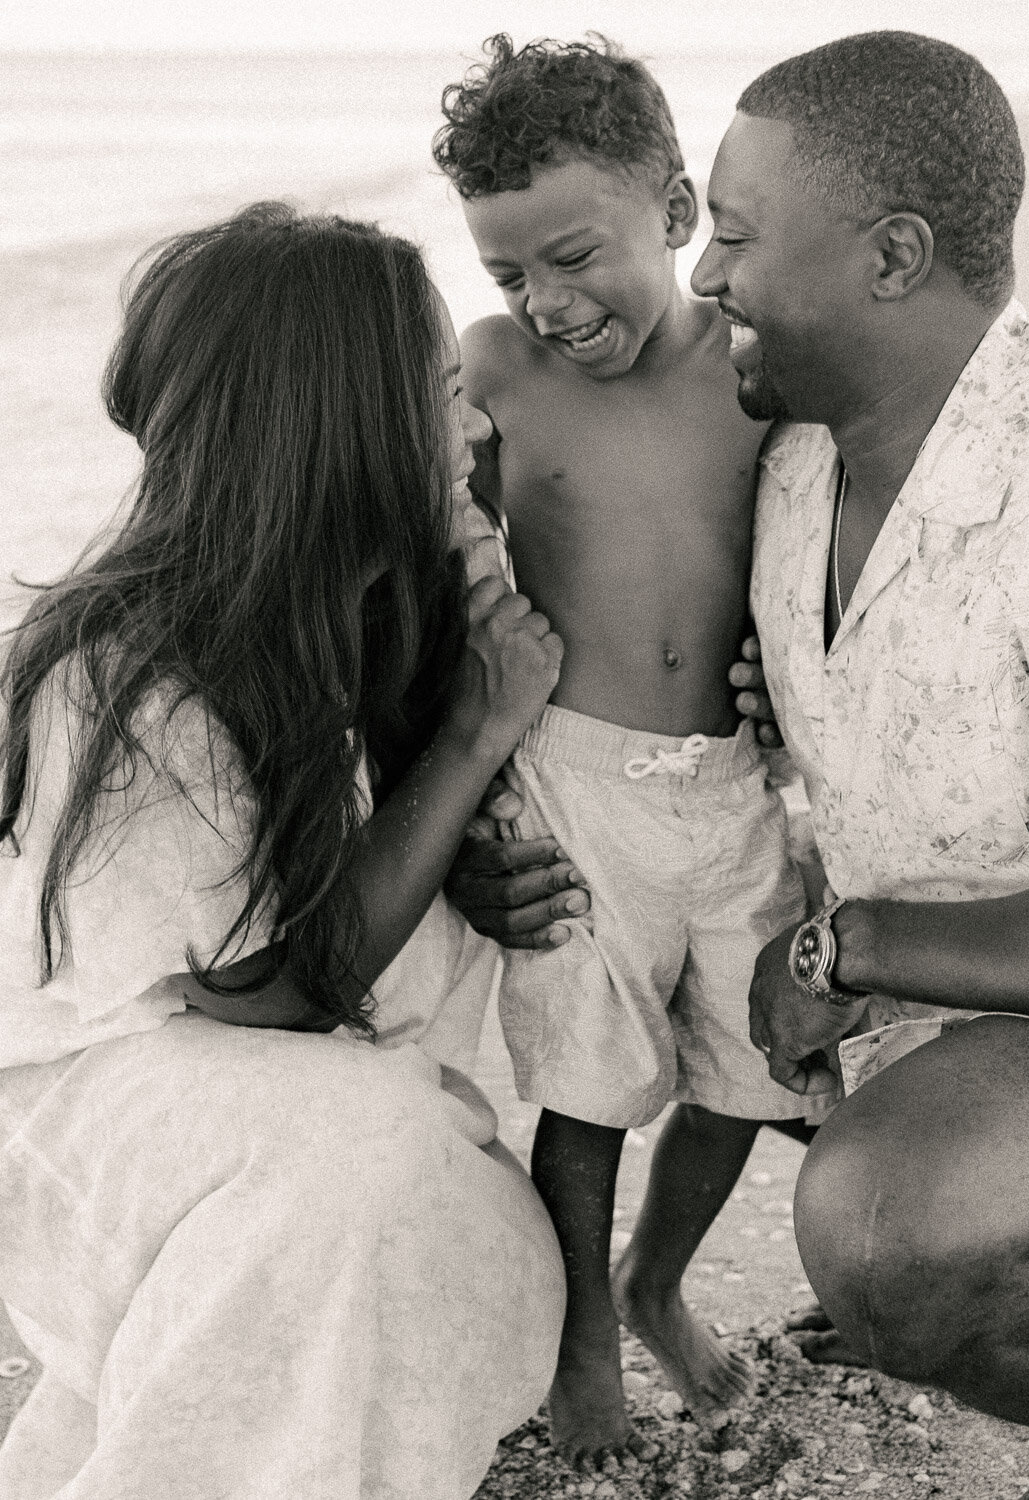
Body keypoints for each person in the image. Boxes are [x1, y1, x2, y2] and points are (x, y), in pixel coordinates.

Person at [451, 30, 1029, 1499]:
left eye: (737, 239)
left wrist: (849, 945)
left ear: (889, 257)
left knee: (869, 1204)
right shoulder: (801, 449)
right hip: (913, 1008)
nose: (701, 279)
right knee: (731, 1135)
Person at [0, 202, 569, 1500]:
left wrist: (449, 860)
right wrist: (477, 736)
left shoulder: (354, 609)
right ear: (344, 423)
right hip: (88, 1115)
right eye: (439, 396)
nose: (476, 427)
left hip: (226, 1096)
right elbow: (272, 995)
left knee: (457, 1221)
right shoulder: (130, 674)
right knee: (367, 1161)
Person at [432, 35, 824, 1467]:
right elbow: (436, 569)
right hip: (570, 783)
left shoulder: (758, 370)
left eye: (572, 255)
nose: (546, 301)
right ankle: (579, 1338)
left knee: (747, 1067)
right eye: (508, 275)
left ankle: (653, 1282)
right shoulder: (489, 374)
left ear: (673, 211)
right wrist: (462, 798)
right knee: (586, 1090)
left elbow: (816, 554)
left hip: (730, 792)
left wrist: (791, 689)